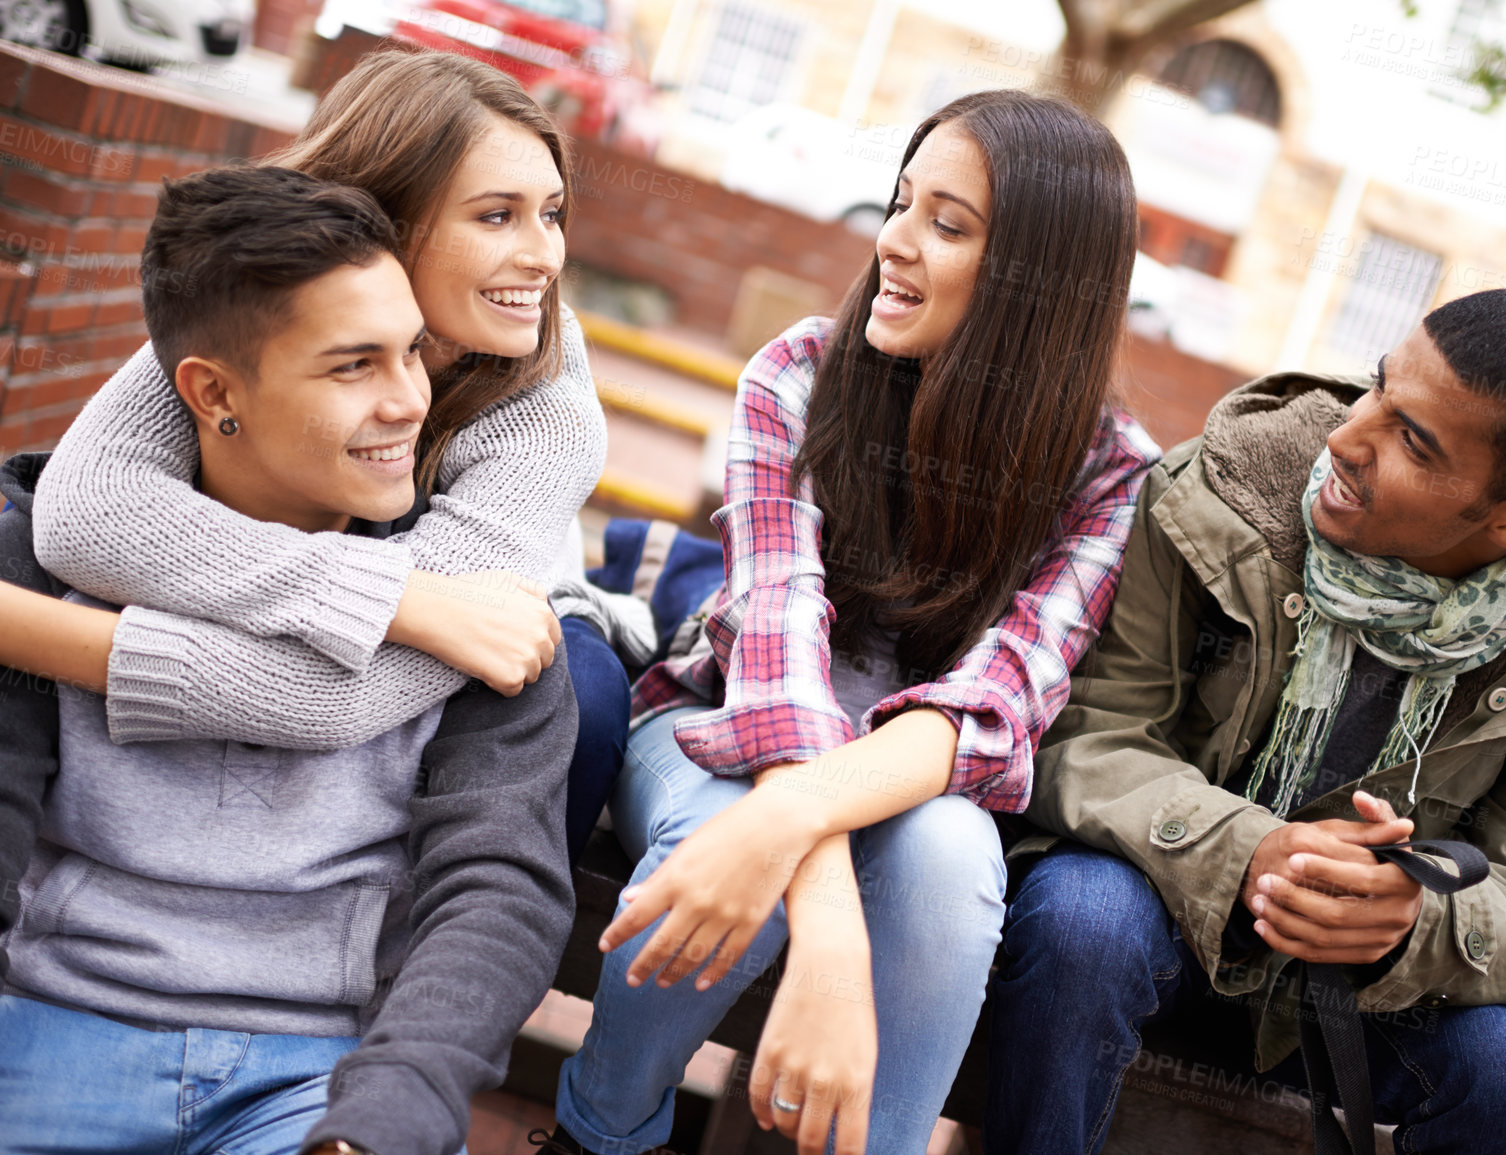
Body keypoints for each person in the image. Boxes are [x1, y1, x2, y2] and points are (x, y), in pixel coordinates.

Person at [539, 89, 1159, 1155]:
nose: (894, 244)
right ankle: (601, 1134)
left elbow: (988, 713)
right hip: (712, 730)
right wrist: (822, 917)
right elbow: (776, 654)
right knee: (730, 840)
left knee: (954, 863)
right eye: (901, 203)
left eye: (947, 225)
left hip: (918, 788)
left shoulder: (1110, 473)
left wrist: (794, 829)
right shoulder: (800, 373)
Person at [987, 288, 1506, 1154]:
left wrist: (1411, 921)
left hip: (1351, 1002)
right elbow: (1083, 731)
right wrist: (1244, 849)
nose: (1346, 437)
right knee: (1085, 916)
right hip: (1153, 922)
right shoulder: (1223, 491)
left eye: (1411, 440)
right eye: (1376, 390)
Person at [0, 166, 577, 1155]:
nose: (408, 402)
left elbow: (496, 895)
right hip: (41, 1037)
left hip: (313, 1080)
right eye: (354, 366)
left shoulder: (482, 614)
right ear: (214, 393)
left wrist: (386, 1116)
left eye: (411, 355)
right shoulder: (40, 568)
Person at [0, 50, 631, 874]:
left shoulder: (548, 413)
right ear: (383, 216)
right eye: (495, 216)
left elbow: (331, 697)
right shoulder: (267, 282)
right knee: (17, 533)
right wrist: (400, 596)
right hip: (339, 577)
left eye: (550, 212)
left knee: (579, 690)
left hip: (496, 609)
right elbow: (87, 513)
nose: (545, 257)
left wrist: (21, 629)